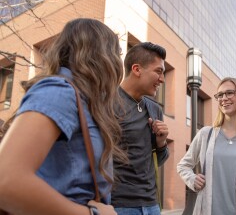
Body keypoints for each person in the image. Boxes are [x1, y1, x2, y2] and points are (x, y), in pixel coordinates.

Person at [0, 18, 127, 215]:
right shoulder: (60, 90)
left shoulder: (80, 98)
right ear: (101, 53)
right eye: (116, 53)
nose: (118, 62)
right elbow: (5, 181)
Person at [177, 77, 236, 215]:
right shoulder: (205, 134)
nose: (224, 98)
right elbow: (183, 165)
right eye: (220, 95)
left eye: (229, 93)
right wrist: (192, 179)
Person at [111, 42, 169, 215]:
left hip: (151, 205)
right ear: (137, 69)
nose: (162, 79)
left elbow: (160, 159)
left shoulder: (154, 109)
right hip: (119, 205)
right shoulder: (106, 102)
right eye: (158, 71)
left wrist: (161, 142)